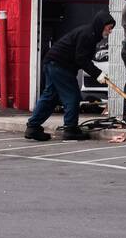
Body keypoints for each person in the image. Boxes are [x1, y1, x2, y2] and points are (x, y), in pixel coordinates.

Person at [25, 11, 114, 142]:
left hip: (53, 62)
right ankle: (70, 129)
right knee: (72, 96)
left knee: (50, 96)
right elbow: (81, 59)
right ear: (101, 25)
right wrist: (98, 74)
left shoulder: (91, 34)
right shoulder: (87, 35)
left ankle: (33, 127)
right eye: (109, 28)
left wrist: (97, 73)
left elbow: (82, 59)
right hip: (60, 65)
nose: (110, 31)